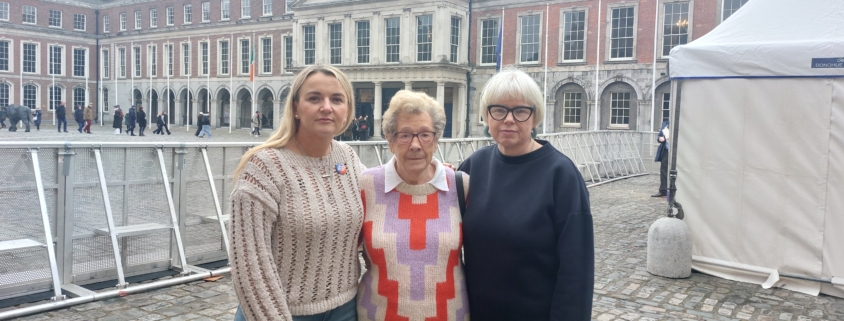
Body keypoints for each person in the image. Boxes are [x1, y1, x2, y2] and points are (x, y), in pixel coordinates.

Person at [457, 68, 594, 320]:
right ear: (487, 115)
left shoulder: (561, 175)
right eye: (499, 109)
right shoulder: (474, 166)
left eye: (520, 111)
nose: (509, 119)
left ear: (535, 117)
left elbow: (577, 270)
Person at [229, 64, 361, 321]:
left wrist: (431, 170)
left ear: (347, 111)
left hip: (347, 308)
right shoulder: (263, 168)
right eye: (314, 98)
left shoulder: (349, 158)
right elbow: (249, 265)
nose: (326, 107)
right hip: (283, 313)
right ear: (296, 108)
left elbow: (384, 191)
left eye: (336, 99)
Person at [356, 90, 469, 320]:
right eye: (404, 135)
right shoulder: (366, 186)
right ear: (389, 139)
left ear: (436, 140)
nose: (416, 145)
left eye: (425, 134)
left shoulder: (460, 186)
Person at [653, 120, 670, 197]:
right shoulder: (665, 124)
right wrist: (660, 139)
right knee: (663, 170)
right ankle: (663, 190)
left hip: (677, 151)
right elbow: (659, 136)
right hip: (666, 150)